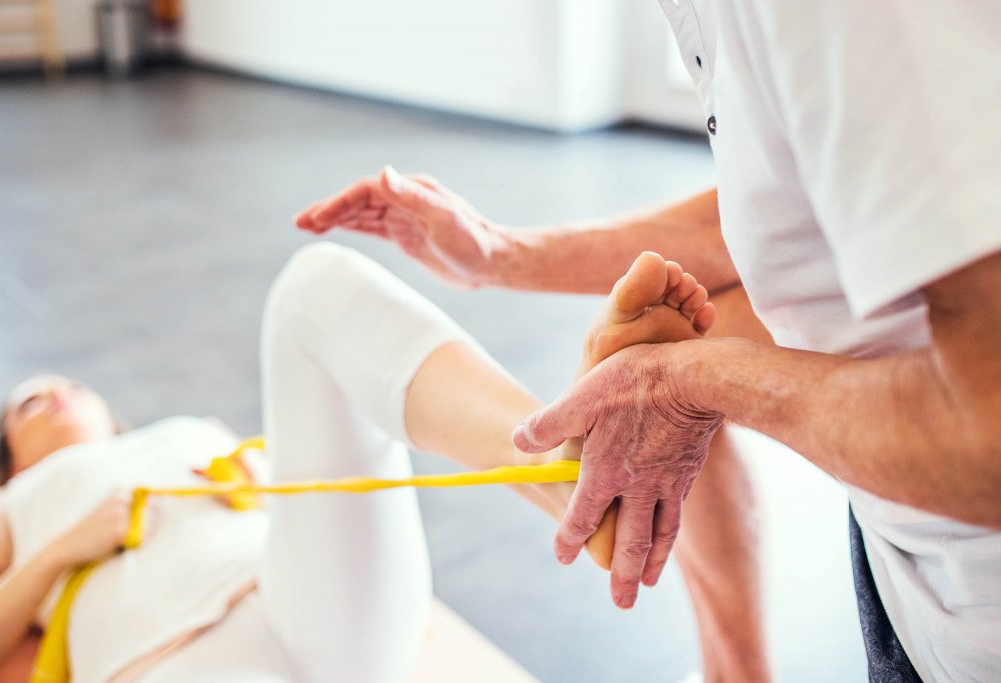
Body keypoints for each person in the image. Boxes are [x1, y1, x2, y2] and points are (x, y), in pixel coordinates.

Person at [296, 3, 1001, 680]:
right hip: (914, 567)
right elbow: (791, 195)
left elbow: (990, 429)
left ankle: (579, 482)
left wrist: (691, 383)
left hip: (974, 622)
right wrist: (497, 252)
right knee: (681, 337)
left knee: (316, 291)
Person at [0, 242, 711, 682]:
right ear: (8, 463)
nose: (55, 393)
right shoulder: (11, 509)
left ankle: (559, 463)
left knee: (311, 285)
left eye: (67, 385)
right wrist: (54, 553)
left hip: (309, 594)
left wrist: (257, 487)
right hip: (180, 659)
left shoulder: (185, 434)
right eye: (28, 404)